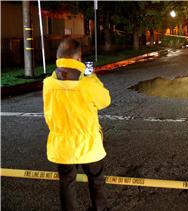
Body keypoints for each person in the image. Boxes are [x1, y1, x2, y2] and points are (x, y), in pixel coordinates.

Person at [43, 38, 111, 211]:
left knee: (66, 183)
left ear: (59, 58)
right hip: (89, 146)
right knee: (96, 181)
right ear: (79, 59)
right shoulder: (87, 84)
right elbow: (105, 100)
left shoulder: (48, 84)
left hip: (62, 147)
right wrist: (92, 76)